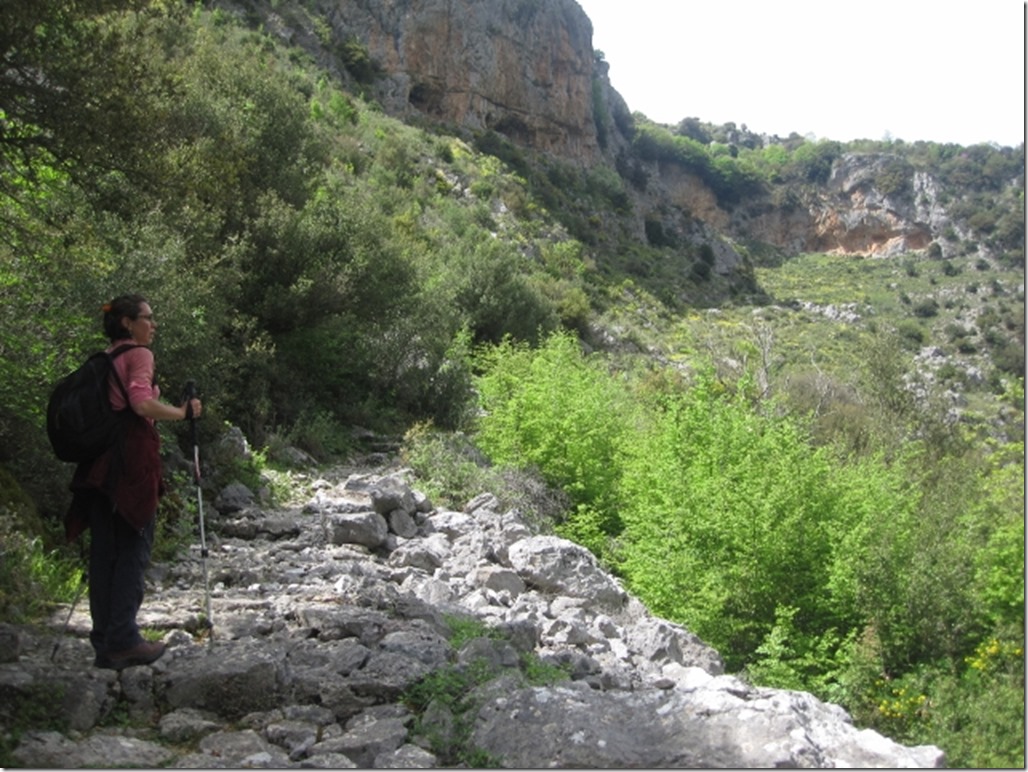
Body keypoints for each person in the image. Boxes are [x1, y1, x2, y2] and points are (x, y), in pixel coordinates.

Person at [65, 294, 202, 670]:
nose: (153, 325)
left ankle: (105, 640)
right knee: (133, 549)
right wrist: (180, 412)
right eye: (148, 318)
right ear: (128, 322)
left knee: (104, 554)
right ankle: (124, 640)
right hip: (129, 468)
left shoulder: (107, 358)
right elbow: (141, 404)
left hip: (98, 470)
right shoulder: (139, 355)